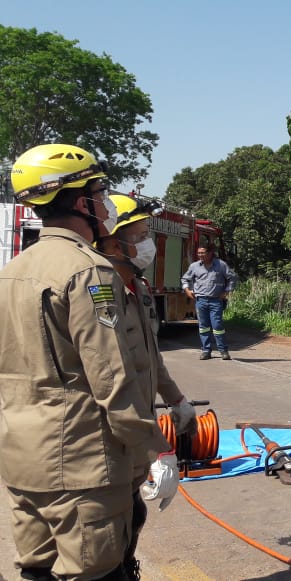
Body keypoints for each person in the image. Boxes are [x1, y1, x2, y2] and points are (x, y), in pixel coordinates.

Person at [0, 144, 177, 581]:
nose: (105, 203)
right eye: (99, 193)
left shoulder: (11, 272)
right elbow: (111, 378)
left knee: (37, 570)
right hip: (81, 466)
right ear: (82, 204)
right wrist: (155, 449)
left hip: (23, 460)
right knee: (93, 571)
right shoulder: (89, 272)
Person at [99, 193, 198, 580]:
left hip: (135, 435)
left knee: (133, 518)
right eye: (139, 235)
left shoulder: (137, 289)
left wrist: (177, 399)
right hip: (111, 438)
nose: (148, 244)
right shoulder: (99, 293)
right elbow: (110, 379)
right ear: (112, 243)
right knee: (106, 538)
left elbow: (151, 358)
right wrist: (160, 448)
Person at [181, 242, 237, 360]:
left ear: (210, 253)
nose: (200, 255)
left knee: (217, 326)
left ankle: (223, 351)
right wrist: (187, 290)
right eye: (198, 253)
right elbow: (185, 279)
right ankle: (206, 351)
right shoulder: (194, 266)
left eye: (203, 253)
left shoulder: (221, 265)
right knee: (203, 327)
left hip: (216, 301)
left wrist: (226, 292)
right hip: (200, 301)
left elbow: (232, 278)